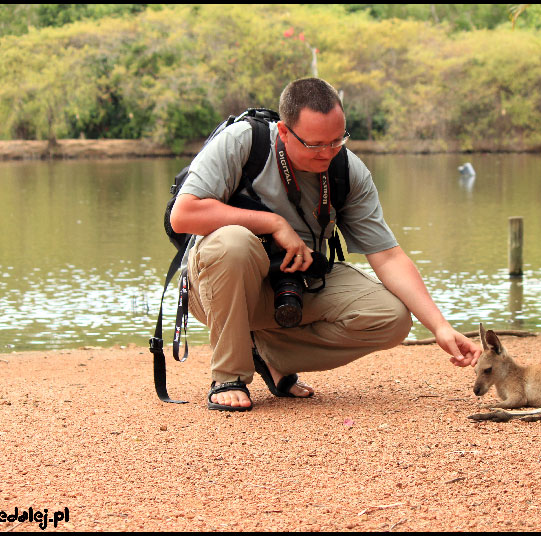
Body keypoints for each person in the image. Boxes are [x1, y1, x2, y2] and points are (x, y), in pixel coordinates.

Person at [169, 77, 481, 411]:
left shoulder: (347, 170)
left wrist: (440, 327)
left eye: (337, 141)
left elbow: (388, 257)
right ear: (285, 132)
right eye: (316, 145)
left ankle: (268, 352)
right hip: (217, 288)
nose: (328, 153)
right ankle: (229, 375)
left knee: (392, 318)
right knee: (233, 241)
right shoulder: (244, 142)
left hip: (297, 287)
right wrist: (273, 223)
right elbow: (183, 215)